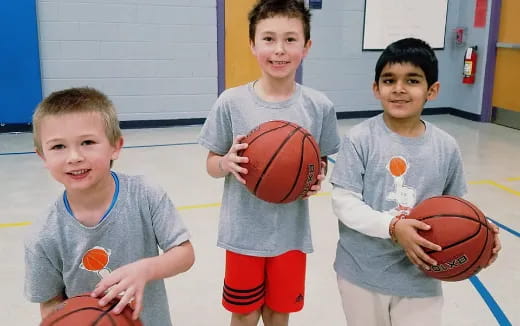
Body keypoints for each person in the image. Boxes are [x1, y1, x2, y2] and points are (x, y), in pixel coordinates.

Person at [330, 37, 501, 326]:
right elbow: (343, 203)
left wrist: (482, 232)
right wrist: (394, 227)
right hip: (362, 273)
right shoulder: (360, 138)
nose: (398, 89)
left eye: (412, 80)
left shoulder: (446, 147)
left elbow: (456, 207)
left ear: (431, 90)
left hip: (421, 276)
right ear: (376, 88)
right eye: (389, 80)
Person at [198, 0, 340, 325]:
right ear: (252, 44)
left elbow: (320, 161)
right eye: (268, 39)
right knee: (245, 314)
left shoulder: (319, 106)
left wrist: (316, 177)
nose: (279, 50)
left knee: (279, 313)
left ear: (307, 46)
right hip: (243, 234)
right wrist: (226, 164)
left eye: (290, 39)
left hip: (290, 236)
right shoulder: (231, 102)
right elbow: (210, 163)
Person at [24, 87, 195, 326]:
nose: (74, 157)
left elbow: (185, 254)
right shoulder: (43, 235)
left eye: (87, 142)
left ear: (116, 146)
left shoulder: (144, 194)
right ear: (43, 156)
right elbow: (50, 304)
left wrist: (146, 269)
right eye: (58, 147)